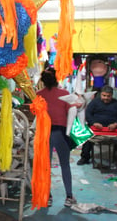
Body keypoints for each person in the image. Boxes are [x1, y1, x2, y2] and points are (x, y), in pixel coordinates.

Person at [37, 67, 77, 207]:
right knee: (65, 165)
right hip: (60, 132)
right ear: (56, 79)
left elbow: (36, 114)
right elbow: (72, 114)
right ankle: (69, 196)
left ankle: (47, 196)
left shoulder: (38, 95)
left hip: (43, 133)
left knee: (45, 167)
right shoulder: (65, 94)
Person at [77, 85, 117, 166]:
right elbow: (88, 114)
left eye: (108, 96)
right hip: (96, 127)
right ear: (101, 94)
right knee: (86, 134)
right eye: (104, 95)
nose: (106, 98)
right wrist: (94, 123)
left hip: (113, 128)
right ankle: (85, 157)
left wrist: (116, 124)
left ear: (112, 95)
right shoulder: (94, 103)